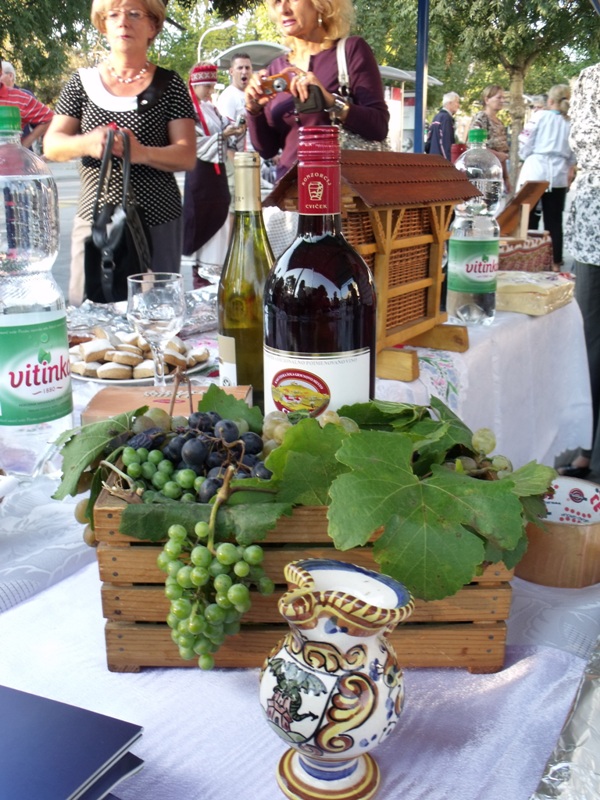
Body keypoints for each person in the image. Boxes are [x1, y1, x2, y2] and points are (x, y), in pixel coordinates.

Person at [43, 0, 196, 306]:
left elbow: (187, 155)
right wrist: (88, 143)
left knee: (157, 314)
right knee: (90, 317)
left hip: (157, 220)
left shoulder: (170, 85)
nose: (123, 21)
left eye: (134, 14)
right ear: (103, 25)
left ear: (153, 26)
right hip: (96, 220)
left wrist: (142, 153)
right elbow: (52, 145)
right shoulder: (82, 83)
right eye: (113, 14)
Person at [244, 0, 389, 182]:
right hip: (289, 191)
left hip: (340, 189)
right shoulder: (275, 69)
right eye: (277, 1)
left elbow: (379, 126)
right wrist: (253, 110)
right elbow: (267, 150)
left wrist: (330, 102)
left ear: (320, 4)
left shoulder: (351, 50)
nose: (283, 9)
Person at [561, 63, 600, 481]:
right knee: (590, 339)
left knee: (591, 337)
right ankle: (588, 449)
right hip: (595, 224)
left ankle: (588, 451)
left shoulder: (592, 77)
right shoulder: (593, 77)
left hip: (594, 219)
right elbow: (588, 143)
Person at [183, 63, 244, 289]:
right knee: (203, 223)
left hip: (216, 176)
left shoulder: (210, 108)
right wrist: (222, 136)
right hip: (200, 176)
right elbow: (193, 143)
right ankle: (202, 281)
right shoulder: (188, 109)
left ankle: (214, 279)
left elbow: (225, 127)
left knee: (220, 221)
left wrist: (236, 128)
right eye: (206, 86)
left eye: (212, 86)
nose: (210, 91)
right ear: (196, 85)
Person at [517, 85, 576, 270]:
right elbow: (574, 150)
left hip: (535, 171)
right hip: (558, 175)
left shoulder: (539, 116)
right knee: (554, 220)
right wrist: (570, 166)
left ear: (550, 101)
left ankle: (529, 258)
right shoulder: (570, 122)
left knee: (529, 218)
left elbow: (525, 140)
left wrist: (524, 156)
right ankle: (555, 261)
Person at [0, 58, 53, 149]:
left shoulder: (20, 98)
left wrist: (25, 144)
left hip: (10, 157)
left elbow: (50, 118)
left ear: (0, 71)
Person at [470, 84, 512, 192]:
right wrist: (497, 155)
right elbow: (473, 146)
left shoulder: (499, 123)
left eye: (503, 98)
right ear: (487, 100)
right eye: (499, 97)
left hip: (495, 174)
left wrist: (506, 178)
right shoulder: (481, 118)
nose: (502, 100)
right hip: (481, 174)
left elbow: (502, 154)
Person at [425, 91, 460, 161]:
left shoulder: (437, 117)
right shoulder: (446, 118)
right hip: (442, 161)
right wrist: (449, 162)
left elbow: (428, 142)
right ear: (450, 103)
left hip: (433, 159)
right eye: (457, 102)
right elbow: (445, 142)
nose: (458, 105)